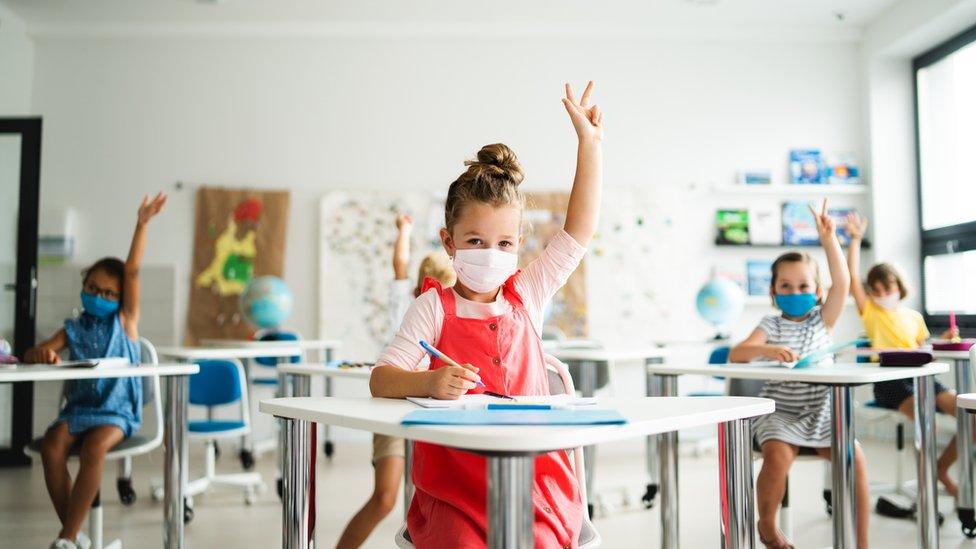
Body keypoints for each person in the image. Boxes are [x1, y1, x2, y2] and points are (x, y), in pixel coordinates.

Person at [369, 81, 603, 548]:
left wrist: (590, 145)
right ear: (449, 240)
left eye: (504, 244)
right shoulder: (432, 306)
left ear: (519, 244)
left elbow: (579, 230)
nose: (490, 253)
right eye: (475, 241)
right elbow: (381, 379)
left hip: (536, 478)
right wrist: (427, 383)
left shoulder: (529, 293)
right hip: (454, 487)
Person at [25, 193, 167, 549]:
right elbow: (33, 353)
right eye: (92, 288)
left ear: (120, 300)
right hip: (79, 409)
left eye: (108, 293)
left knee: (94, 449)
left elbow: (132, 270)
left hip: (116, 412)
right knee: (52, 446)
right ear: (83, 285)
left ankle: (67, 537)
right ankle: (76, 536)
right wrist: (41, 353)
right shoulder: (73, 328)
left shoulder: (125, 321)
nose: (98, 296)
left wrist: (142, 223)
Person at [729, 200, 868, 549]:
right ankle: (768, 527)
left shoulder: (825, 319)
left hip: (824, 410)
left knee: (855, 457)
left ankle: (862, 542)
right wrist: (766, 349)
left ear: (818, 292)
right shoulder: (770, 324)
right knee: (777, 456)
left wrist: (828, 239)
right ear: (773, 291)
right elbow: (737, 354)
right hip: (780, 412)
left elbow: (843, 281)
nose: (795, 292)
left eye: (804, 286)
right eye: (786, 286)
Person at [335, 213, 455, 548]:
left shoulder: (454, 312)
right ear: (420, 288)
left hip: (430, 413)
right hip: (392, 409)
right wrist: (404, 230)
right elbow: (399, 262)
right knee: (386, 498)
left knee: (433, 501)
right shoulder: (406, 302)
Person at [846, 211, 960, 495]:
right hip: (891, 383)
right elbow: (850, 278)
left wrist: (941, 342)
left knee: (970, 416)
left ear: (899, 286)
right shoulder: (871, 312)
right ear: (871, 293)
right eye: (877, 289)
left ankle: (941, 468)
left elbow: (925, 351)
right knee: (926, 425)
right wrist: (856, 240)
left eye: (889, 286)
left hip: (923, 379)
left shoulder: (913, 316)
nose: (884, 292)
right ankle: (931, 484)